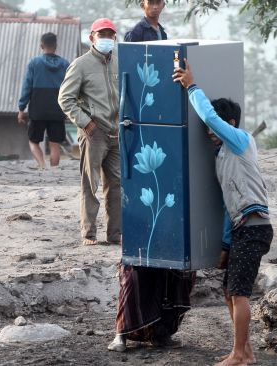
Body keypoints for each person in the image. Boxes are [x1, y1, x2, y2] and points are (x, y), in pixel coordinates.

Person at [173, 60, 274, 366]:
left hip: (254, 228)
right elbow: (227, 204)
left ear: (229, 123)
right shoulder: (223, 156)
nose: (208, 130)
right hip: (243, 228)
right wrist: (225, 246)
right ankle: (244, 351)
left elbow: (207, 115)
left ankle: (240, 355)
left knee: (240, 294)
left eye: (214, 125)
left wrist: (191, 85)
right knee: (230, 293)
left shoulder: (240, 140)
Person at [106, 8, 194, 353]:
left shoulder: (164, 33)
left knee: (169, 261)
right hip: (141, 167)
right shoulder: (136, 35)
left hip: (165, 170)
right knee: (137, 261)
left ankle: (160, 329)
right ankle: (125, 331)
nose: (155, 6)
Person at [58, 18, 121, 246]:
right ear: (91, 37)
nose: (106, 38)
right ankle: (89, 233)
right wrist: (86, 123)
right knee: (90, 184)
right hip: (93, 133)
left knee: (116, 185)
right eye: (101, 34)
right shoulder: (81, 64)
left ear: (115, 37)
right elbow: (65, 98)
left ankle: (115, 234)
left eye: (110, 34)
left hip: (116, 133)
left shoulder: (119, 62)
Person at [18, 32, 70, 170]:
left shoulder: (34, 63)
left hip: (37, 109)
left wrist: (21, 108)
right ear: (56, 46)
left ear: (41, 46)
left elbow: (27, 87)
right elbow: (71, 88)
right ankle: (53, 171)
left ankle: (42, 165)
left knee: (33, 141)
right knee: (54, 144)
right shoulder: (65, 64)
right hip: (57, 108)